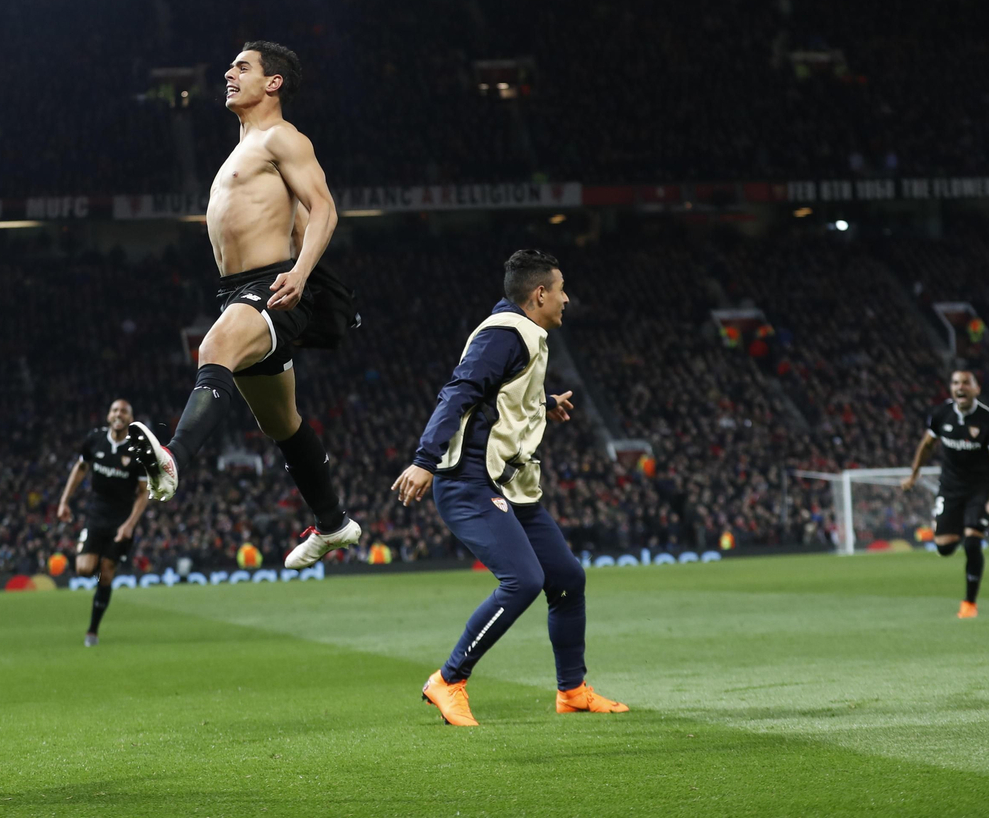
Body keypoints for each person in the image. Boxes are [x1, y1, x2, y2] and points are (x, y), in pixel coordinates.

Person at [126, 41, 362, 569]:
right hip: (240, 291)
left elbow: (324, 209)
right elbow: (298, 221)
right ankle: (332, 522)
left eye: (242, 67)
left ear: (272, 83)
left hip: (272, 287)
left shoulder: (282, 137)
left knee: (215, 346)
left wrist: (301, 276)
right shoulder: (243, 150)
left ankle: (173, 459)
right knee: (282, 424)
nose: (228, 73)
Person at [392, 250, 627, 726]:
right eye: (560, 289)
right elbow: (460, 393)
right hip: (467, 481)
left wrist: (543, 403)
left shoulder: (524, 335)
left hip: (509, 483)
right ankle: (448, 680)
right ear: (539, 294)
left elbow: (499, 395)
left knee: (567, 579)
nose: (566, 298)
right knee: (523, 580)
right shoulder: (504, 334)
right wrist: (425, 460)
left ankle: (572, 690)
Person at [902, 367, 989, 618]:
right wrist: (914, 474)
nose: (960, 387)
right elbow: (927, 445)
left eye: (966, 383)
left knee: (972, 543)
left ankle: (969, 603)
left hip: (979, 490)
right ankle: (957, 527)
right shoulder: (941, 414)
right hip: (950, 489)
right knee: (944, 548)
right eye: (956, 383)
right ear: (951, 388)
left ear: (976, 389)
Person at [57, 399, 151, 646]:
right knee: (85, 570)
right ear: (109, 416)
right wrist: (64, 501)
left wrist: (130, 524)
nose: (119, 414)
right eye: (115, 410)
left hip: (122, 519)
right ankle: (102, 561)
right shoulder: (94, 439)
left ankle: (92, 631)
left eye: (124, 411)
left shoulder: (137, 449)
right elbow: (80, 468)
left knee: (106, 573)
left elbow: (143, 493)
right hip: (96, 515)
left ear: (131, 419)